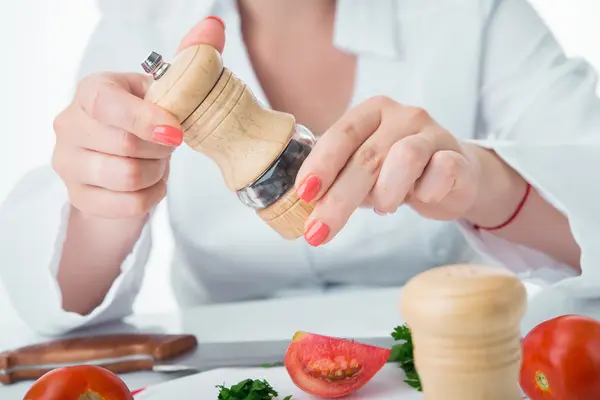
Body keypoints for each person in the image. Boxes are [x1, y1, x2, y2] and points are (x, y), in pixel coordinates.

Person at [1, 0, 599, 337]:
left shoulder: (474, 14)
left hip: (435, 365)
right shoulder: (138, 24)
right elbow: (58, 304)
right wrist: (107, 191)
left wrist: (488, 186)